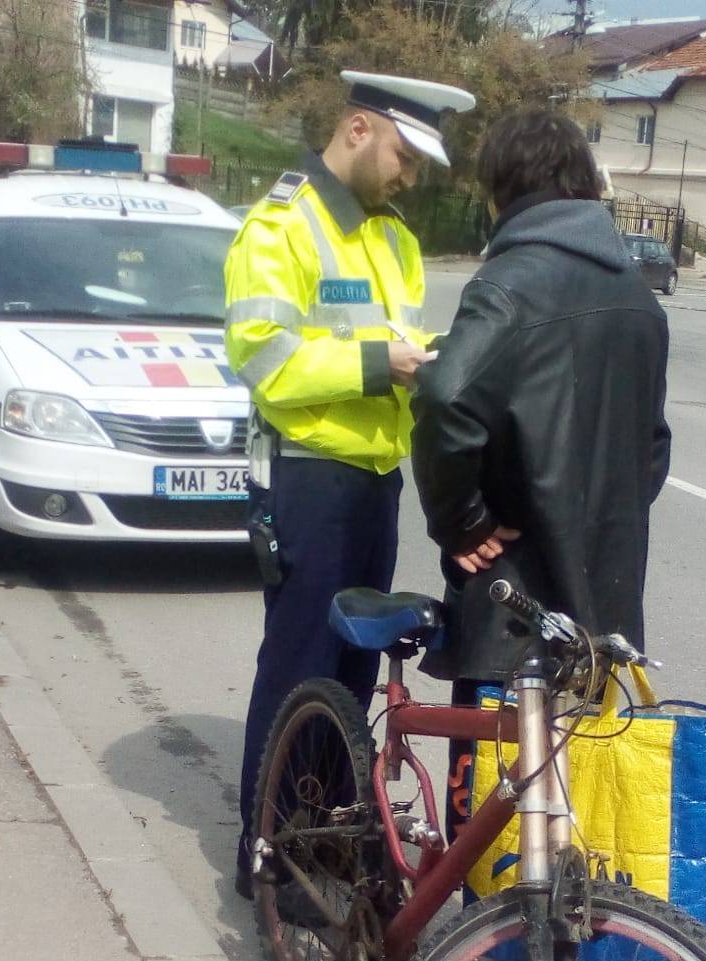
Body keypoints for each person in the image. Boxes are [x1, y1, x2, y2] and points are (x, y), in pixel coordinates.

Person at [410, 109, 672, 961]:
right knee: (567, 803)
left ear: (502, 190)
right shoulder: (638, 296)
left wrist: (465, 523)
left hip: (513, 601)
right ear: (586, 182)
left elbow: (445, 397)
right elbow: (652, 449)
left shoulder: (508, 284)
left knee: (494, 794)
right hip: (602, 600)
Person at [225, 71, 475, 899]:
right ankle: (268, 855)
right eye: (405, 156)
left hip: (372, 481)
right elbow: (263, 359)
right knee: (301, 670)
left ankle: (326, 841)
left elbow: (398, 340)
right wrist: (379, 363)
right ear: (359, 130)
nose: (411, 177)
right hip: (308, 479)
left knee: (353, 677)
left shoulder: (393, 238)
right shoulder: (280, 226)